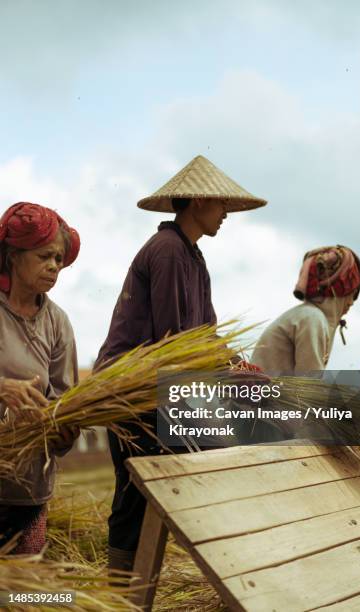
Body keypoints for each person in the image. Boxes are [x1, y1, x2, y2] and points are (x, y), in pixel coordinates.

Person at [94, 154, 267, 574]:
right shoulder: (168, 251)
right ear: (196, 202)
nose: (226, 212)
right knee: (141, 491)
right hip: (134, 391)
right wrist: (219, 375)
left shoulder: (193, 258)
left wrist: (236, 364)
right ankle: (124, 592)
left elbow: (204, 334)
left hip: (160, 388)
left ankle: (129, 591)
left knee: (145, 493)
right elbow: (174, 344)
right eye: (221, 203)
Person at [0, 202, 80, 554]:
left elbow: (64, 397)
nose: (53, 266)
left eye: (58, 259)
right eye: (44, 256)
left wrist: (64, 427)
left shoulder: (57, 322)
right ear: (14, 256)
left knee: (23, 594)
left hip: (28, 488)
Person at [252, 245, 360, 375]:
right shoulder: (312, 319)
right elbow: (310, 385)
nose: (351, 302)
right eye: (351, 294)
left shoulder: (310, 316)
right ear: (339, 292)